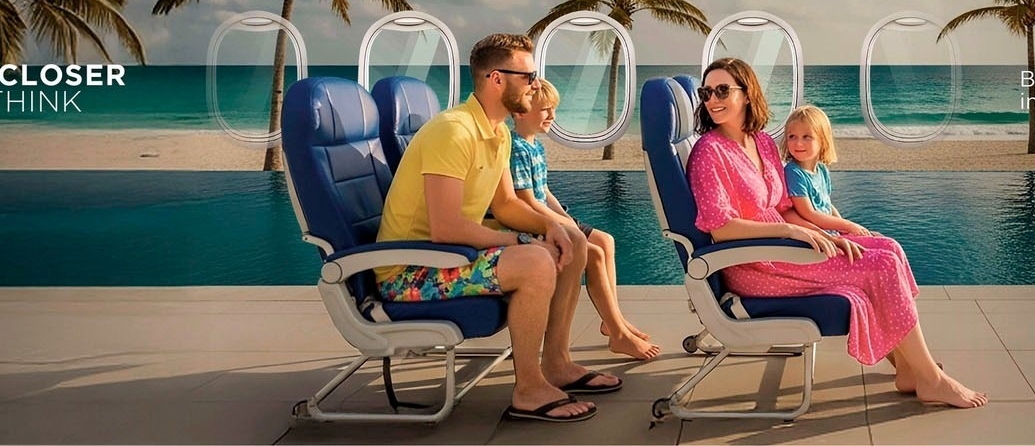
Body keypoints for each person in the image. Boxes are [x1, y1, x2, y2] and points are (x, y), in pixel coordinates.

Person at [685, 58, 986, 408]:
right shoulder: (709, 152)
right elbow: (720, 228)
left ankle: (905, 364)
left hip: (783, 246)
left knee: (888, 248)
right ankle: (931, 380)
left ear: (748, 94)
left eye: (723, 90)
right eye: (706, 92)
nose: (712, 99)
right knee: (881, 268)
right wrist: (790, 232)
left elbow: (784, 206)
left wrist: (825, 234)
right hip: (756, 263)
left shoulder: (762, 142)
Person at [375, 33, 622, 423]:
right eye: (528, 77)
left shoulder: (498, 130)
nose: (535, 85)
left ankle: (557, 363)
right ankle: (528, 389)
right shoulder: (453, 131)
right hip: (410, 271)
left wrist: (550, 227)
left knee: (571, 240)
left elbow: (506, 203)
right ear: (496, 79)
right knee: (536, 262)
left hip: (448, 259)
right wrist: (525, 241)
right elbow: (445, 227)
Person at [509, 79, 661, 360]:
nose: (552, 117)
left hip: (551, 216)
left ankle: (611, 317)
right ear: (520, 112)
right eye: (545, 110)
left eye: (553, 109)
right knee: (595, 255)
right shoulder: (516, 148)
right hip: (534, 221)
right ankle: (618, 333)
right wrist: (561, 224)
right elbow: (527, 201)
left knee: (606, 239)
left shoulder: (535, 146)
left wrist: (567, 218)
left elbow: (544, 192)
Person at [781, 105, 874, 237]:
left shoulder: (822, 170)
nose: (798, 143)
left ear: (823, 140)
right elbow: (808, 213)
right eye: (792, 137)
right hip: (816, 239)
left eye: (806, 137)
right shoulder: (793, 172)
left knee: (888, 243)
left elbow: (827, 205)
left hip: (832, 233)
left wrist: (845, 228)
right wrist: (848, 225)